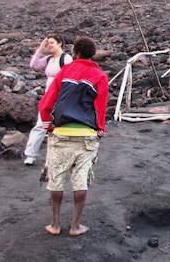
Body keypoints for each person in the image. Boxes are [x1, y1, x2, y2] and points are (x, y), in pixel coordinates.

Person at [38, 37, 108, 236]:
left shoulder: (64, 72)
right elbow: (100, 108)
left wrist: (47, 125)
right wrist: (100, 129)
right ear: (92, 54)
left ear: (75, 53)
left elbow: (46, 103)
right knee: (81, 180)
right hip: (86, 136)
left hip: (61, 133)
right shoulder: (99, 76)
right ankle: (76, 226)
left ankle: (55, 225)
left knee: (56, 179)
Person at [24, 34, 73, 165]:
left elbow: (71, 77)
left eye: (52, 42)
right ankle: (30, 155)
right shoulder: (49, 59)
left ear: (60, 44)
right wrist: (40, 49)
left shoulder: (66, 58)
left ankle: (63, 157)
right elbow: (33, 65)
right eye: (48, 43)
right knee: (41, 125)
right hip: (48, 96)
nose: (49, 45)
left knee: (61, 126)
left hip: (62, 96)